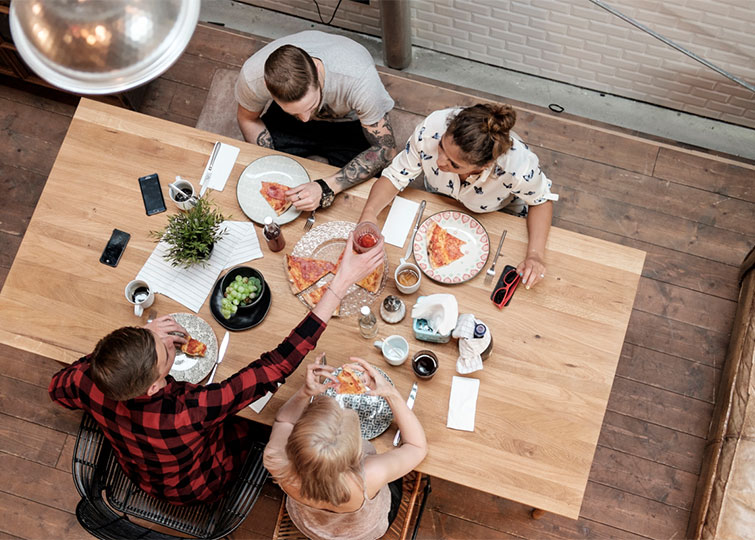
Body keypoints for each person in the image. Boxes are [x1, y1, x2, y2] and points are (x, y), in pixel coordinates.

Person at [48, 235, 385, 505]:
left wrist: (122, 354)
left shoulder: (86, 379)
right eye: (164, 351)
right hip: (200, 488)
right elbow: (276, 366)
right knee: (252, 425)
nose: (164, 337)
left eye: (149, 334)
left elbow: (55, 390)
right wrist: (339, 285)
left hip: (142, 473)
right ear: (152, 387)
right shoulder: (188, 413)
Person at [358, 103, 559, 289]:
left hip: (497, 211)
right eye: (442, 147)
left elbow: (541, 201)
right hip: (441, 197)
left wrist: (535, 255)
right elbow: (395, 176)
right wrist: (369, 214)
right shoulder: (431, 129)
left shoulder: (518, 167)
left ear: (484, 166)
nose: (439, 162)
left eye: (454, 164)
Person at [264, 357, 427, 540]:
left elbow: (284, 420)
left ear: (295, 437)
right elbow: (417, 447)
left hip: (311, 525)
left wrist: (305, 393)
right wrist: (392, 394)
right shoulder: (368, 476)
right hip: (361, 531)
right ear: (357, 451)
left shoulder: (275, 458)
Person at [235, 31, 397, 212]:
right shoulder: (253, 75)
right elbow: (247, 119)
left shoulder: (359, 80)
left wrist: (325, 187)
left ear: (318, 69)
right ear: (267, 86)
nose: (305, 119)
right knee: (263, 180)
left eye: (311, 105)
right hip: (287, 123)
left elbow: (386, 149)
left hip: (347, 125)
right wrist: (275, 167)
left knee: (369, 192)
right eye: (296, 112)